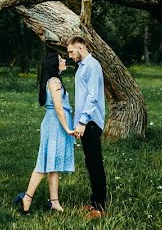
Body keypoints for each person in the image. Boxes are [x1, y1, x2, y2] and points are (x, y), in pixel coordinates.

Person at [14, 51, 76, 214]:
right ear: (55, 65)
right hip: (55, 124)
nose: (64, 60)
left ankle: (54, 202)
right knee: (44, 163)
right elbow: (58, 107)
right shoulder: (54, 81)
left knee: (53, 164)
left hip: (55, 123)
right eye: (61, 59)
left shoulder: (54, 80)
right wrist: (67, 128)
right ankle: (26, 198)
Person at [67, 35, 107, 219]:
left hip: (90, 122)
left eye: (71, 51)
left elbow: (93, 96)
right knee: (90, 163)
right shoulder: (82, 67)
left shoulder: (92, 65)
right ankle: (94, 201)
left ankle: (100, 207)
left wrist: (82, 122)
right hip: (85, 122)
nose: (69, 55)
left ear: (80, 47)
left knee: (95, 164)